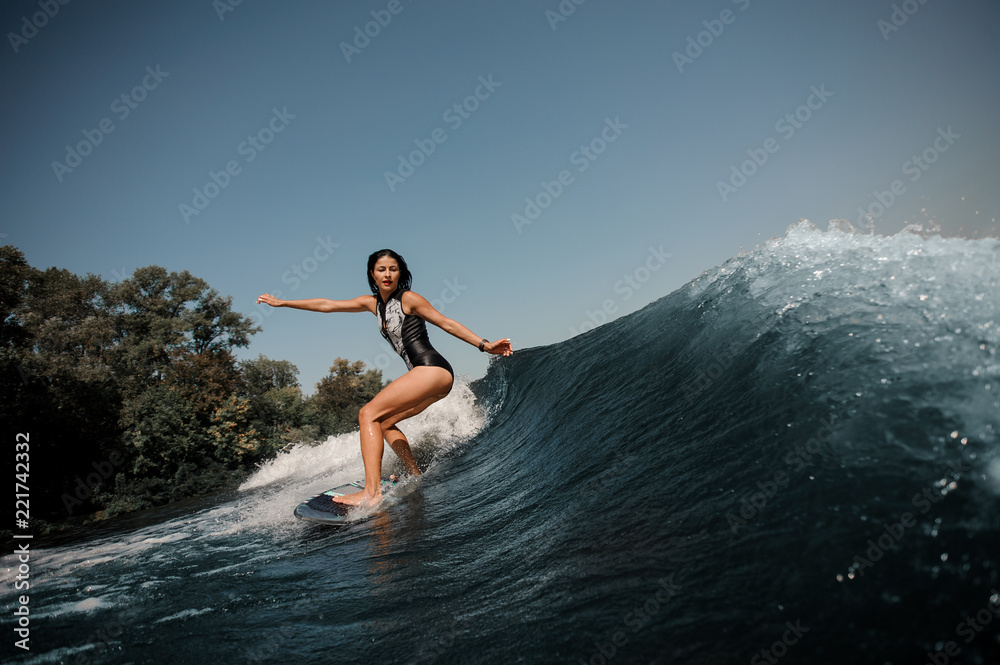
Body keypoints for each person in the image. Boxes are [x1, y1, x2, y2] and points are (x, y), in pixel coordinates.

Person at [256, 249, 512, 507]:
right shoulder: (373, 304)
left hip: (431, 369)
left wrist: (485, 345)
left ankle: (371, 493)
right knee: (385, 422)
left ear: (401, 272)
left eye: (393, 269)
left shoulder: (409, 298)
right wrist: (283, 303)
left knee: (367, 414)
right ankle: (415, 474)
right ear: (372, 274)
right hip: (434, 378)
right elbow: (328, 305)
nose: (387, 274)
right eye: (381, 269)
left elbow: (446, 322)